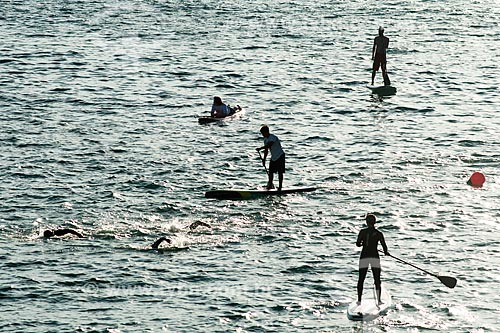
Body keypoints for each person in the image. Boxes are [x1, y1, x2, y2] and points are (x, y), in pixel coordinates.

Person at [356, 214, 389, 305]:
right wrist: (386, 252)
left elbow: (358, 244)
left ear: (366, 222)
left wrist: (363, 244)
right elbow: (384, 247)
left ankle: (359, 300)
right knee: (377, 279)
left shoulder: (362, 232)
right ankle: (379, 300)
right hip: (374, 256)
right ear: (374, 222)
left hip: (364, 256)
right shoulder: (379, 233)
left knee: (361, 279)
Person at [256, 125, 285, 191]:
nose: (262, 135)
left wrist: (260, 148)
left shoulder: (273, 138)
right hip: (274, 157)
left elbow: (269, 145)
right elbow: (266, 150)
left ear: (266, 132)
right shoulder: (265, 140)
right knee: (271, 172)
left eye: (263, 133)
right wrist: (264, 159)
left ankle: (280, 187)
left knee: (280, 172)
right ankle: (270, 186)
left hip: (280, 156)